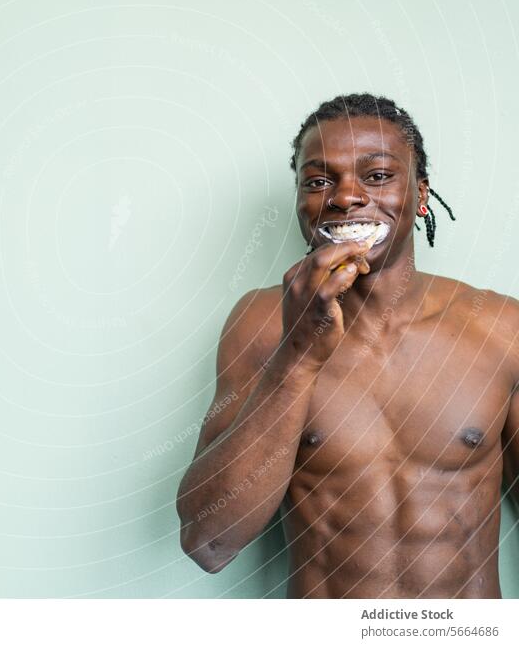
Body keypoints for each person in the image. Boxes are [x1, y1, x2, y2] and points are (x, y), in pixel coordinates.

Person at [176, 93, 519, 598]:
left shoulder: (500, 327)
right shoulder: (261, 324)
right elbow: (209, 542)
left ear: (421, 195)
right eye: (318, 181)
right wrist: (298, 355)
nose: (344, 197)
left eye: (377, 175)